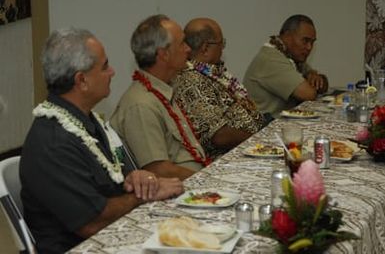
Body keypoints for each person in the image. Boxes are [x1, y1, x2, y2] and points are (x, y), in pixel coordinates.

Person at [20, 27, 184, 253]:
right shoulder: (54, 141)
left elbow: (111, 180)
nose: (113, 72)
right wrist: (142, 196)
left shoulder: (86, 120)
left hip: (118, 234)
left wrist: (134, 178)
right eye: (105, 66)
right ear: (82, 80)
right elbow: (92, 221)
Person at [111, 15, 210, 180]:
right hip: (181, 193)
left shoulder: (163, 90)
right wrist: (208, 180)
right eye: (182, 43)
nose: (188, 49)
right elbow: (159, 171)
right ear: (164, 54)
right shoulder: (141, 104)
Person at [171, 18, 267, 159]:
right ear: (205, 48)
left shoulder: (212, 71)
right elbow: (219, 135)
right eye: (221, 43)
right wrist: (258, 140)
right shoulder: (191, 80)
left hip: (250, 146)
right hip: (229, 157)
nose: (223, 48)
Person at [243, 14, 328, 118]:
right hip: (263, 127)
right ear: (287, 36)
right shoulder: (271, 59)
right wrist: (311, 80)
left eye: (312, 42)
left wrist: (316, 77)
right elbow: (308, 94)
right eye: (305, 40)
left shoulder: (291, 55)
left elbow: (322, 85)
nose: (309, 47)